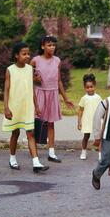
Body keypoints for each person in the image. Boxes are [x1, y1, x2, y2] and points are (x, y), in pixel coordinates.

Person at [2, 42, 48, 173]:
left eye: (28, 53)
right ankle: (12, 159)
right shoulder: (10, 70)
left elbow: (31, 88)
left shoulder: (29, 69)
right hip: (14, 106)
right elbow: (6, 90)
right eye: (24, 54)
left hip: (27, 106)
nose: (27, 56)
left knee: (31, 133)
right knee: (15, 133)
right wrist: (6, 107)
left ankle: (36, 163)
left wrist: (37, 106)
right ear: (17, 55)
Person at [31, 35, 74, 163]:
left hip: (52, 93)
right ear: (42, 46)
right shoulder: (35, 60)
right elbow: (26, 78)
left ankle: (51, 152)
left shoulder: (57, 61)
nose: (52, 47)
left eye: (54, 45)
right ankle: (34, 152)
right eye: (49, 45)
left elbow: (59, 80)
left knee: (51, 123)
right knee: (37, 122)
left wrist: (65, 98)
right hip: (39, 93)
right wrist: (34, 79)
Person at [77, 73, 102, 160]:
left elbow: (102, 109)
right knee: (86, 136)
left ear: (94, 86)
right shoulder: (84, 98)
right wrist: (79, 122)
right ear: (84, 88)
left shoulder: (98, 97)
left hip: (97, 121)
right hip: (87, 121)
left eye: (91, 87)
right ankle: (83, 151)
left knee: (99, 138)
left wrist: (103, 119)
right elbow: (80, 110)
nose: (89, 89)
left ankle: (100, 153)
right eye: (87, 87)